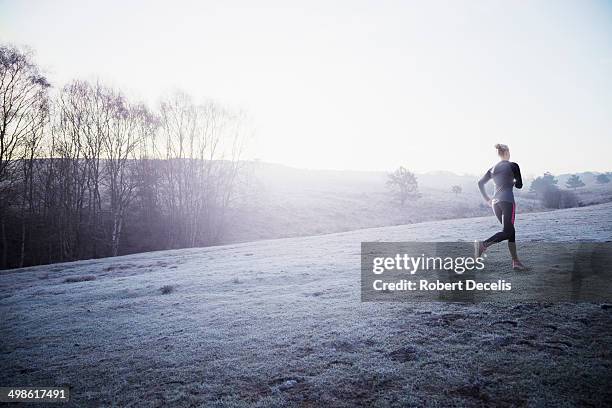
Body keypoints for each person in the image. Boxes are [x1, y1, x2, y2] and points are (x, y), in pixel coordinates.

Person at [474, 144, 527, 270]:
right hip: (507, 201)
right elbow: (519, 185)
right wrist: (514, 181)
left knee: (510, 231)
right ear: (507, 152)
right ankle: (483, 245)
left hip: (495, 203)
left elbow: (480, 183)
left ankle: (516, 262)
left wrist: (487, 199)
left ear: (499, 154)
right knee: (508, 231)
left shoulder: (492, 168)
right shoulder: (513, 165)